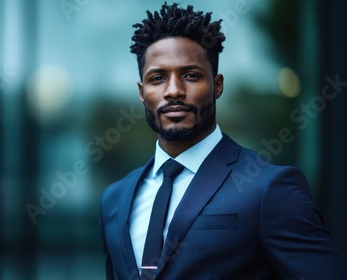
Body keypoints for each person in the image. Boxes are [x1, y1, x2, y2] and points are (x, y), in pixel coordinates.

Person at [98, 3, 347, 280]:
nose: (174, 91)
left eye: (191, 76)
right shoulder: (115, 199)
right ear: (142, 92)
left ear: (217, 85)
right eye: (158, 78)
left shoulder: (269, 189)